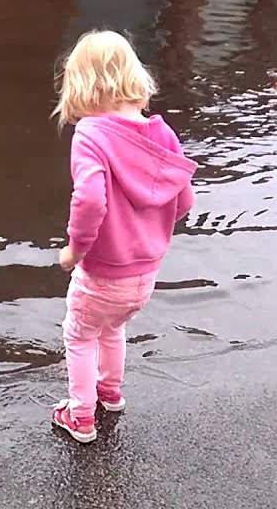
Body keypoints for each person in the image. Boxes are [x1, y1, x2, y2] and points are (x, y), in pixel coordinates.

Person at [51, 30, 198, 444]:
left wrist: (75, 249)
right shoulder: (162, 132)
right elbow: (184, 197)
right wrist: (149, 227)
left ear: (80, 85)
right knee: (113, 328)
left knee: (80, 334)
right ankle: (110, 393)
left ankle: (80, 415)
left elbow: (91, 201)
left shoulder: (92, 135)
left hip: (102, 271)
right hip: (145, 273)